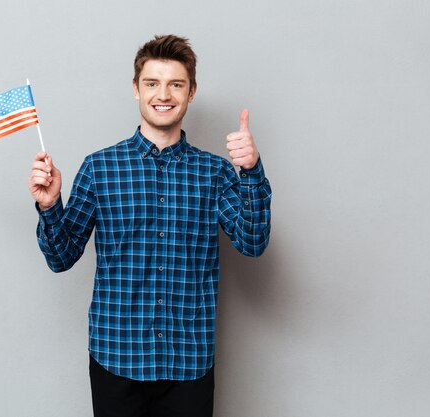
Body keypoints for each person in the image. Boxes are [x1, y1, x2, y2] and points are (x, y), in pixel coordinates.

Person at [28, 34, 271, 417]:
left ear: (191, 92)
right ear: (136, 89)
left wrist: (252, 171)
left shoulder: (216, 172)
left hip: (188, 362)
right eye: (152, 83)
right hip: (116, 359)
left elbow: (252, 242)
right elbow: (61, 257)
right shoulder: (99, 168)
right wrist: (50, 204)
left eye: (176, 84)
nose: (164, 94)